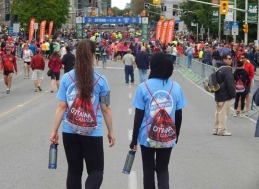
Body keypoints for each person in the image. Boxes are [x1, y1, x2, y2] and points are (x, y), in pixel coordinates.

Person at [50, 40, 115, 189]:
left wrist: (54, 130)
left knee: (74, 171)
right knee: (96, 170)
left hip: (69, 130)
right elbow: (106, 108)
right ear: (93, 56)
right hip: (93, 132)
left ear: (76, 56)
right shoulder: (101, 80)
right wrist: (111, 131)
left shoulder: (67, 78)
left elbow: (61, 106)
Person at [129, 52, 186, 189]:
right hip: (167, 135)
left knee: (148, 170)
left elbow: (138, 116)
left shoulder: (144, 87)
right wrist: (176, 134)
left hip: (146, 136)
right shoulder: (176, 87)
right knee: (162, 169)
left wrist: (134, 139)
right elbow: (179, 115)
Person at [213, 54, 236, 136]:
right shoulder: (227, 70)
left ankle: (216, 128)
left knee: (218, 112)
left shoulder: (218, 68)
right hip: (225, 94)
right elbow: (230, 83)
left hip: (218, 93)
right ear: (224, 60)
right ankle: (222, 130)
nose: (231, 60)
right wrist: (233, 94)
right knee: (224, 113)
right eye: (229, 58)